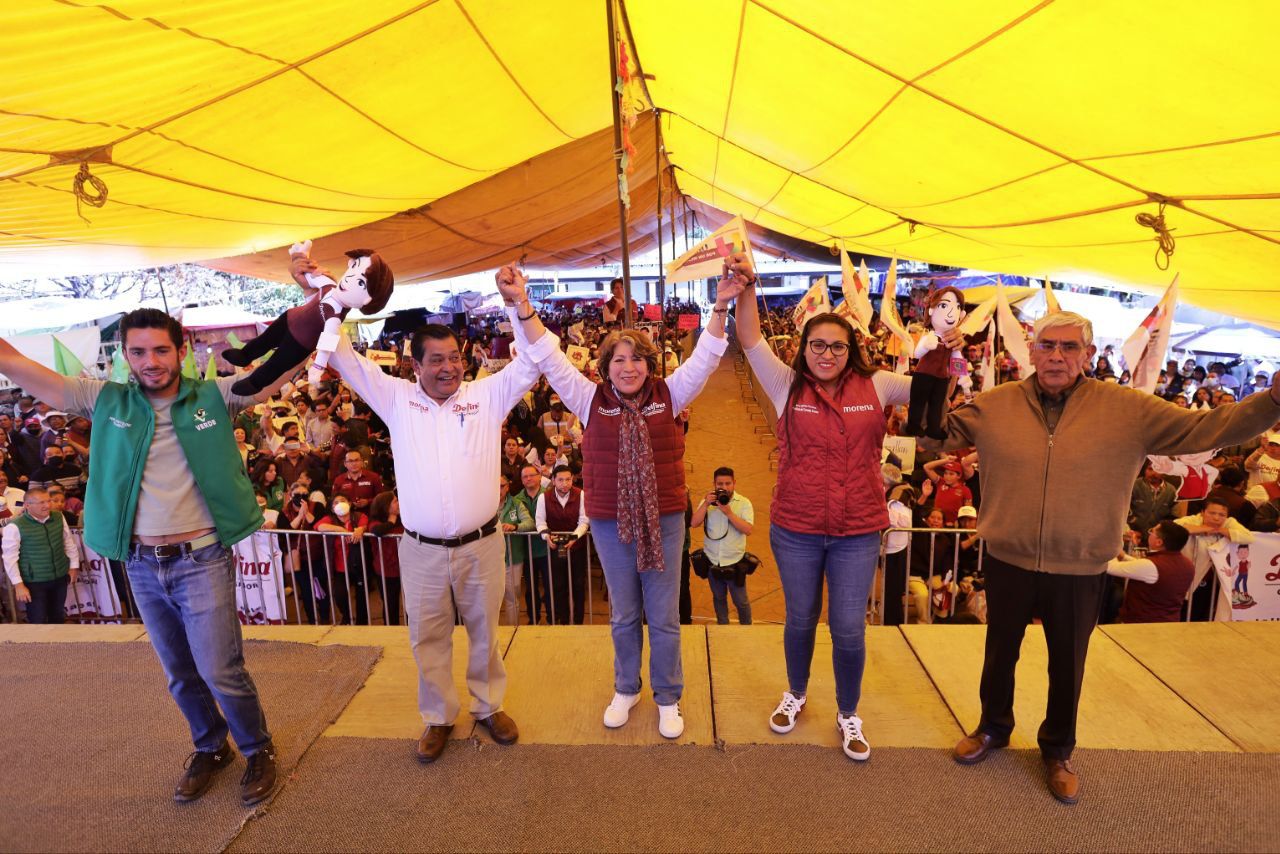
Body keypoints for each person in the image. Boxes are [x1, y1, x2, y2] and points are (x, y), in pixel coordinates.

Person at [939, 310, 1280, 805]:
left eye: (1070, 347)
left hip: (1080, 564)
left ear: (1089, 353)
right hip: (1008, 558)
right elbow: (933, 429)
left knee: (1068, 664)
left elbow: (1207, 428)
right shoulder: (995, 405)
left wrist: (1270, 402)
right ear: (1030, 350)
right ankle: (993, 728)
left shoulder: (1128, 409)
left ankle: (1057, 750)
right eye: (1048, 345)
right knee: (999, 653)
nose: (1057, 356)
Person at [0, 308, 294, 805]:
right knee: (179, 672)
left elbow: (277, 373)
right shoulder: (104, 398)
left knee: (221, 669)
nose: (150, 362)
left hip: (203, 558)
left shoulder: (214, 396)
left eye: (161, 350)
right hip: (141, 564)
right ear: (124, 355)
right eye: (138, 351)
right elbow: (16, 364)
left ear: (181, 350)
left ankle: (256, 748)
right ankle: (210, 746)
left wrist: (324, 314)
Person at [304, 240, 542, 765]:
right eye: (437, 360)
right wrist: (321, 287)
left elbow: (532, 360)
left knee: (485, 632)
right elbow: (340, 350)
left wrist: (516, 302)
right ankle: (438, 716)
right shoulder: (393, 397)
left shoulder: (488, 395)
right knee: (427, 637)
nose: (449, 368)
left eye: (455, 358)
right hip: (421, 551)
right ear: (416, 365)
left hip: (482, 544)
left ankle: (487, 706)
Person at [500, 258, 741, 739]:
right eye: (618, 359)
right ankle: (626, 687)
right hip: (610, 522)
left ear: (650, 364)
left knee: (665, 614)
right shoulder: (589, 400)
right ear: (606, 367)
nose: (628, 367)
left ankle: (668, 696)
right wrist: (520, 304)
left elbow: (708, 356)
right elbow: (549, 358)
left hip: (666, 519)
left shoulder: (670, 393)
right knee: (625, 612)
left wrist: (720, 304)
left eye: (636, 359)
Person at [736, 268, 920, 762]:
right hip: (794, 530)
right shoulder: (784, 385)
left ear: (851, 349)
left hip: (857, 532)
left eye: (837, 347)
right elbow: (751, 338)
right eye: (817, 345)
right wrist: (748, 288)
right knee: (799, 619)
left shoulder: (877, 385)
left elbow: (927, 389)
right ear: (804, 348)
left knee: (847, 627)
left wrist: (941, 345)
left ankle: (847, 713)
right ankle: (796, 692)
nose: (826, 354)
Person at [2, 487, 79, 624]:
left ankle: (58, 645)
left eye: (48, 501)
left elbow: (68, 542)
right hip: (34, 582)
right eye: (41, 502)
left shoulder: (58, 516)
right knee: (38, 621)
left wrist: (74, 566)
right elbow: (10, 558)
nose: (47, 505)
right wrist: (19, 585)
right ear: (27, 505)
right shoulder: (14, 526)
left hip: (60, 577)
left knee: (58, 617)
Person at [690, 466, 755, 625]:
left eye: (728, 483)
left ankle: (747, 630)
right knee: (719, 598)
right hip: (713, 562)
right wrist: (705, 504)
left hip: (734, 561)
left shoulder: (744, 503)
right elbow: (694, 523)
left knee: (741, 601)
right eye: (720, 484)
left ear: (734, 483)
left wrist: (729, 513)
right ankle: (722, 628)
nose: (724, 487)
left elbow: (748, 530)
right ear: (714, 484)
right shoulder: (708, 502)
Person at [1175, 496, 1253, 621]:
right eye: (1212, 513)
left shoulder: (1229, 523)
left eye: (1222, 514)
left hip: (1214, 579)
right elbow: (1173, 528)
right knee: (1184, 612)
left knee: (1205, 613)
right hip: (1188, 575)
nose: (1217, 518)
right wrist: (1203, 529)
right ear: (1202, 512)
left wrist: (1221, 531)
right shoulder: (1193, 520)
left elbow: (1248, 537)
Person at [534, 464, 590, 624]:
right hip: (555, 548)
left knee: (579, 586)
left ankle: (579, 622)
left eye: (568, 479)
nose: (565, 483)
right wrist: (546, 537)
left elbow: (584, 521)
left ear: (572, 479)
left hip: (577, 548)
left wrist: (575, 537)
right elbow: (540, 522)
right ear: (553, 480)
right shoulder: (543, 497)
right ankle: (564, 622)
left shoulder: (581, 494)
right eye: (560, 480)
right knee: (559, 586)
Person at [1117, 521, 1195, 623]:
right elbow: (1145, 568)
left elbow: (1111, 568)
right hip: (1170, 622)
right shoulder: (1188, 564)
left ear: (1159, 542)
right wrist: (1123, 556)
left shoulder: (1152, 564)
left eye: (1152, 532)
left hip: (1141, 624)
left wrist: (1111, 550)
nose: (1149, 534)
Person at [497, 474, 535, 625]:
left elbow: (530, 523)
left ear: (508, 487)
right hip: (488, 559)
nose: (498, 489)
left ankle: (513, 630)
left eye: (502, 486)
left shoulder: (517, 504)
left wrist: (515, 526)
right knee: (487, 600)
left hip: (513, 557)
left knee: (512, 596)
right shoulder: (482, 505)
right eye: (496, 486)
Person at [367, 491, 404, 626]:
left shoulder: (404, 518)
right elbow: (377, 531)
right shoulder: (375, 521)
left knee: (411, 603)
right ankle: (392, 631)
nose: (399, 503)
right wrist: (391, 520)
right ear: (386, 506)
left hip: (406, 568)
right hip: (386, 570)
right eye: (395, 501)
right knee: (390, 603)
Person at [331, 449, 385, 514]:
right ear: (345, 464)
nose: (354, 464)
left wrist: (368, 502)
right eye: (350, 461)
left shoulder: (374, 477)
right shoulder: (339, 480)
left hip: (370, 514)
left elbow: (382, 498)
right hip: (346, 515)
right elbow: (334, 500)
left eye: (357, 460)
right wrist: (348, 503)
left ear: (362, 462)